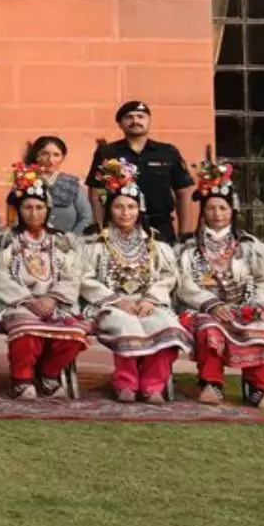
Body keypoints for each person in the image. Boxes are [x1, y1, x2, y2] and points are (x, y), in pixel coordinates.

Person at [174, 149, 264, 409]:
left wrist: (257, 305)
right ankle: (211, 383)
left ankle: (260, 386)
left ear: (232, 210)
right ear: (203, 212)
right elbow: (184, 285)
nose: (217, 214)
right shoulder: (187, 248)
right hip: (205, 308)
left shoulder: (251, 246)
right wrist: (213, 305)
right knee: (209, 330)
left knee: (262, 327)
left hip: (246, 305)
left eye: (223, 208)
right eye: (211, 209)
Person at [78, 159, 191, 404]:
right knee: (126, 325)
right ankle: (126, 383)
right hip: (110, 304)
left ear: (139, 210)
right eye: (119, 207)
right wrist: (117, 301)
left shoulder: (155, 244)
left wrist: (151, 299)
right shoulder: (95, 244)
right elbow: (85, 279)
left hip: (148, 303)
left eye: (131, 207)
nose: (125, 213)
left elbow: (167, 276)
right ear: (110, 210)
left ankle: (153, 385)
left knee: (167, 327)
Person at [0, 162, 89, 400]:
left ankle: (48, 374)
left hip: (55, 303)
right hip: (18, 303)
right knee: (26, 330)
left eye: (40, 207)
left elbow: (72, 274)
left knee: (74, 333)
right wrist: (27, 300)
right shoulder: (4, 240)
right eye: (28, 207)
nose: (34, 213)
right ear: (18, 210)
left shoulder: (61, 241)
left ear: (48, 209)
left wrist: (52, 298)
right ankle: (21, 380)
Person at [86, 101, 194, 242]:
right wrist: (100, 229)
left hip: (160, 226)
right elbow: (96, 194)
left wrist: (185, 233)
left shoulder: (168, 152)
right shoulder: (107, 152)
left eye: (140, 116)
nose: (135, 120)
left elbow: (183, 193)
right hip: (119, 228)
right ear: (120, 123)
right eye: (129, 117)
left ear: (149, 121)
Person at [4, 137, 92, 235]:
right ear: (36, 156)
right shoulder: (23, 182)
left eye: (56, 155)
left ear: (62, 158)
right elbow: (13, 219)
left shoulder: (71, 184)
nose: (50, 160)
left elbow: (86, 217)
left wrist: (71, 240)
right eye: (45, 154)